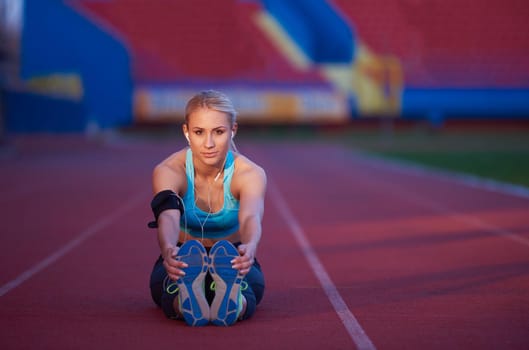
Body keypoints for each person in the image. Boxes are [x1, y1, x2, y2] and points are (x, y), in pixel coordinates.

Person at [148, 90, 266, 326]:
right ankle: (188, 300)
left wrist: (250, 246)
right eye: (199, 132)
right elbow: (168, 217)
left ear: (233, 131)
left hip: (233, 257)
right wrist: (169, 248)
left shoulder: (249, 174)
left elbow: (250, 217)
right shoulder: (169, 171)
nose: (209, 143)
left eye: (219, 132)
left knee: (250, 285)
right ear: (186, 132)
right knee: (167, 284)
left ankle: (231, 302)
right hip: (183, 255)